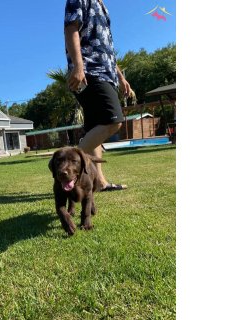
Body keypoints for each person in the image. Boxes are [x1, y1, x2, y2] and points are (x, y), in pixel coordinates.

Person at [64, 0, 130, 191]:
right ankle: (68, 161)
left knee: (95, 127)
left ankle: (100, 182)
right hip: (89, 71)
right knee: (113, 121)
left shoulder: (102, 6)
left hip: (106, 72)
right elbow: (71, 29)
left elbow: (106, 49)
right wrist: (78, 66)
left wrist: (120, 77)